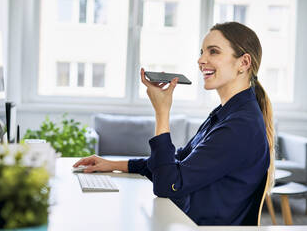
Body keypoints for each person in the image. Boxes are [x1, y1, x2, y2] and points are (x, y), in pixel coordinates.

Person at [73, 22, 274, 225]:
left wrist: (162, 112)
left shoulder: (239, 126)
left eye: (213, 52)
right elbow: (177, 161)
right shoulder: (227, 114)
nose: (201, 60)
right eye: (202, 52)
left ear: (244, 62)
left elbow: (168, 184)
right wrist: (113, 165)